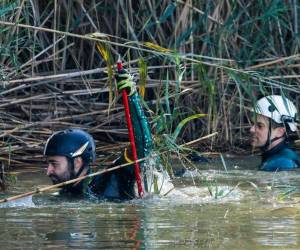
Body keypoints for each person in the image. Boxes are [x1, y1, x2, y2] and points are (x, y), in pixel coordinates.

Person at [44, 69, 174, 200]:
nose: (48, 171)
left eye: (54, 164)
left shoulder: (114, 177)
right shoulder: (63, 195)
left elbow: (143, 147)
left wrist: (132, 97)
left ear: (77, 162)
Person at [250, 95, 300, 171]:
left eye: (260, 126)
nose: (252, 129)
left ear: (280, 132)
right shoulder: (284, 158)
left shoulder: (281, 163)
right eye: (253, 124)